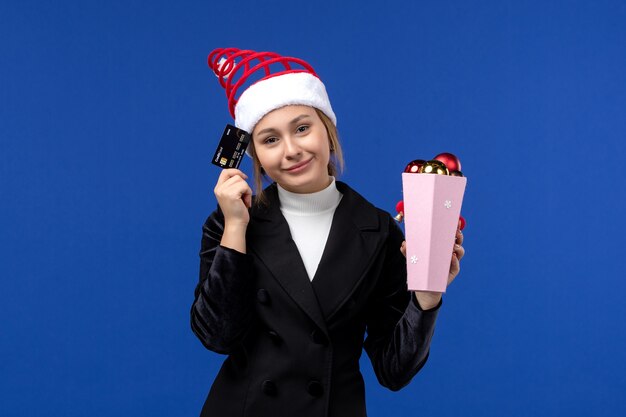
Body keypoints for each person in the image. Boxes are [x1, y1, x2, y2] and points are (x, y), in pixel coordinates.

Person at [190, 48, 465, 417]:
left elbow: (393, 371)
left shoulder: (379, 230)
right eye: (270, 140)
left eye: (302, 128)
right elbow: (217, 336)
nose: (291, 150)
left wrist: (426, 301)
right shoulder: (229, 222)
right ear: (254, 154)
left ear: (328, 131)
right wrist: (237, 226)